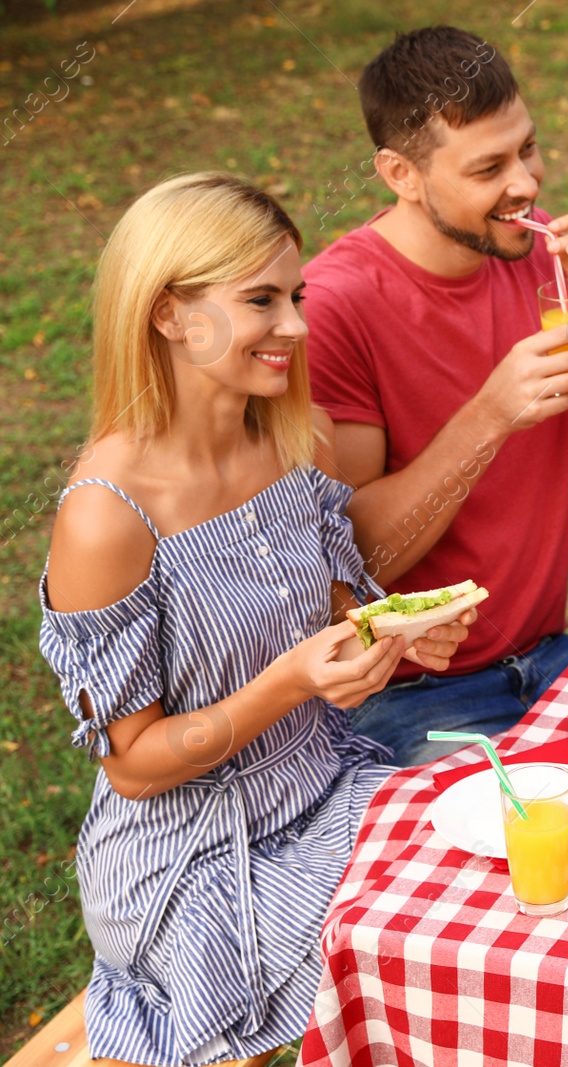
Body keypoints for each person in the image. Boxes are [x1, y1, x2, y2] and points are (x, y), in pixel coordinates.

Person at [37, 174, 475, 1063]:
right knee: (435, 945)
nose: (298, 326)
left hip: (326, 789)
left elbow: (335, 612)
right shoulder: (106, 515)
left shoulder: (292, 438)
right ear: (168, 314)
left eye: (297, 295)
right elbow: (134, 768)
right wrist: (290, 682)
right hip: (193, 863)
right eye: (262, 301)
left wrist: (389, 633)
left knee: (487, 875)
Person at [303, 26, 568, 766]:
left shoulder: (537, 252)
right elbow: (352, 565)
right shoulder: (337, 307)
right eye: (489, 167)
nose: (526, 185)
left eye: (528, 149)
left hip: (549, 656)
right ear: (400, 173)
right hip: (410, 690)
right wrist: (489, 415)